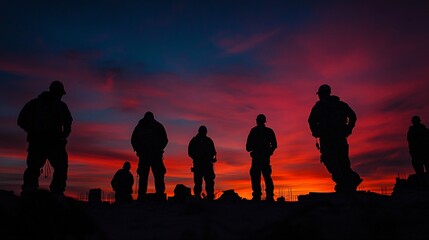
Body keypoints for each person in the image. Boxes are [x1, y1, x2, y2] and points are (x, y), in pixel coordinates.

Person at [17, 81, 73, 196]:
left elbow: (21, 120)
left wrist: (32, 131)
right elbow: (68, 125)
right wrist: (62, 136)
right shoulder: (55, 106)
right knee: (56, 167)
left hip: (45, 143)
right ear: (57, 92)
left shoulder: (36, 104)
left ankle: (31, 191)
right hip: (46, 143)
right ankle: (52, 192)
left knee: (36, 168)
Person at [308, 84, 362, 193]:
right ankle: (348, 182)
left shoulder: (320, 106)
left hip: (329, 139)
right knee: (342, 162)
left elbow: (311, 120)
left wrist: (316, 131)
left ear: (322, 94)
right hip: (338, 138)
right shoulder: (339, 105)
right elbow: (353, 116)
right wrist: (348, 129)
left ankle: (344, 183)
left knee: (331, 161)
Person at [131, 111, 168, 202]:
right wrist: (139, 150)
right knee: (148, 176)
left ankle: (153, 196)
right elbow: (134, 140)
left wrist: (158, 149)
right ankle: (147, 196)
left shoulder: (141, 127)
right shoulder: (143, 126)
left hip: (152, 155)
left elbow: (165, 140)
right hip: (148, 156)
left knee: (155, 176)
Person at [246, 114, 277, 201]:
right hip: (258, 157)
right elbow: (248, 147)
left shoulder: (266, 131)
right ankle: (258, 195)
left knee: (266, 176)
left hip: (262, 158)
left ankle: (268, 196)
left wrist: (269, 152)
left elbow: (274, 144)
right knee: (258, 175)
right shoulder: (255, 131)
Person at [188, 126, 217, 200]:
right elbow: (190, 152)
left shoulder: (207, 140)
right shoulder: (196, 140)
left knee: (208, 182)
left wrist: (212, 158)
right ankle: (199, 197)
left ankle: (209, 197)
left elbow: (213, 152)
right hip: (199, 165)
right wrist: (197, 158)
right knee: (199, 183)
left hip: (205, 165)